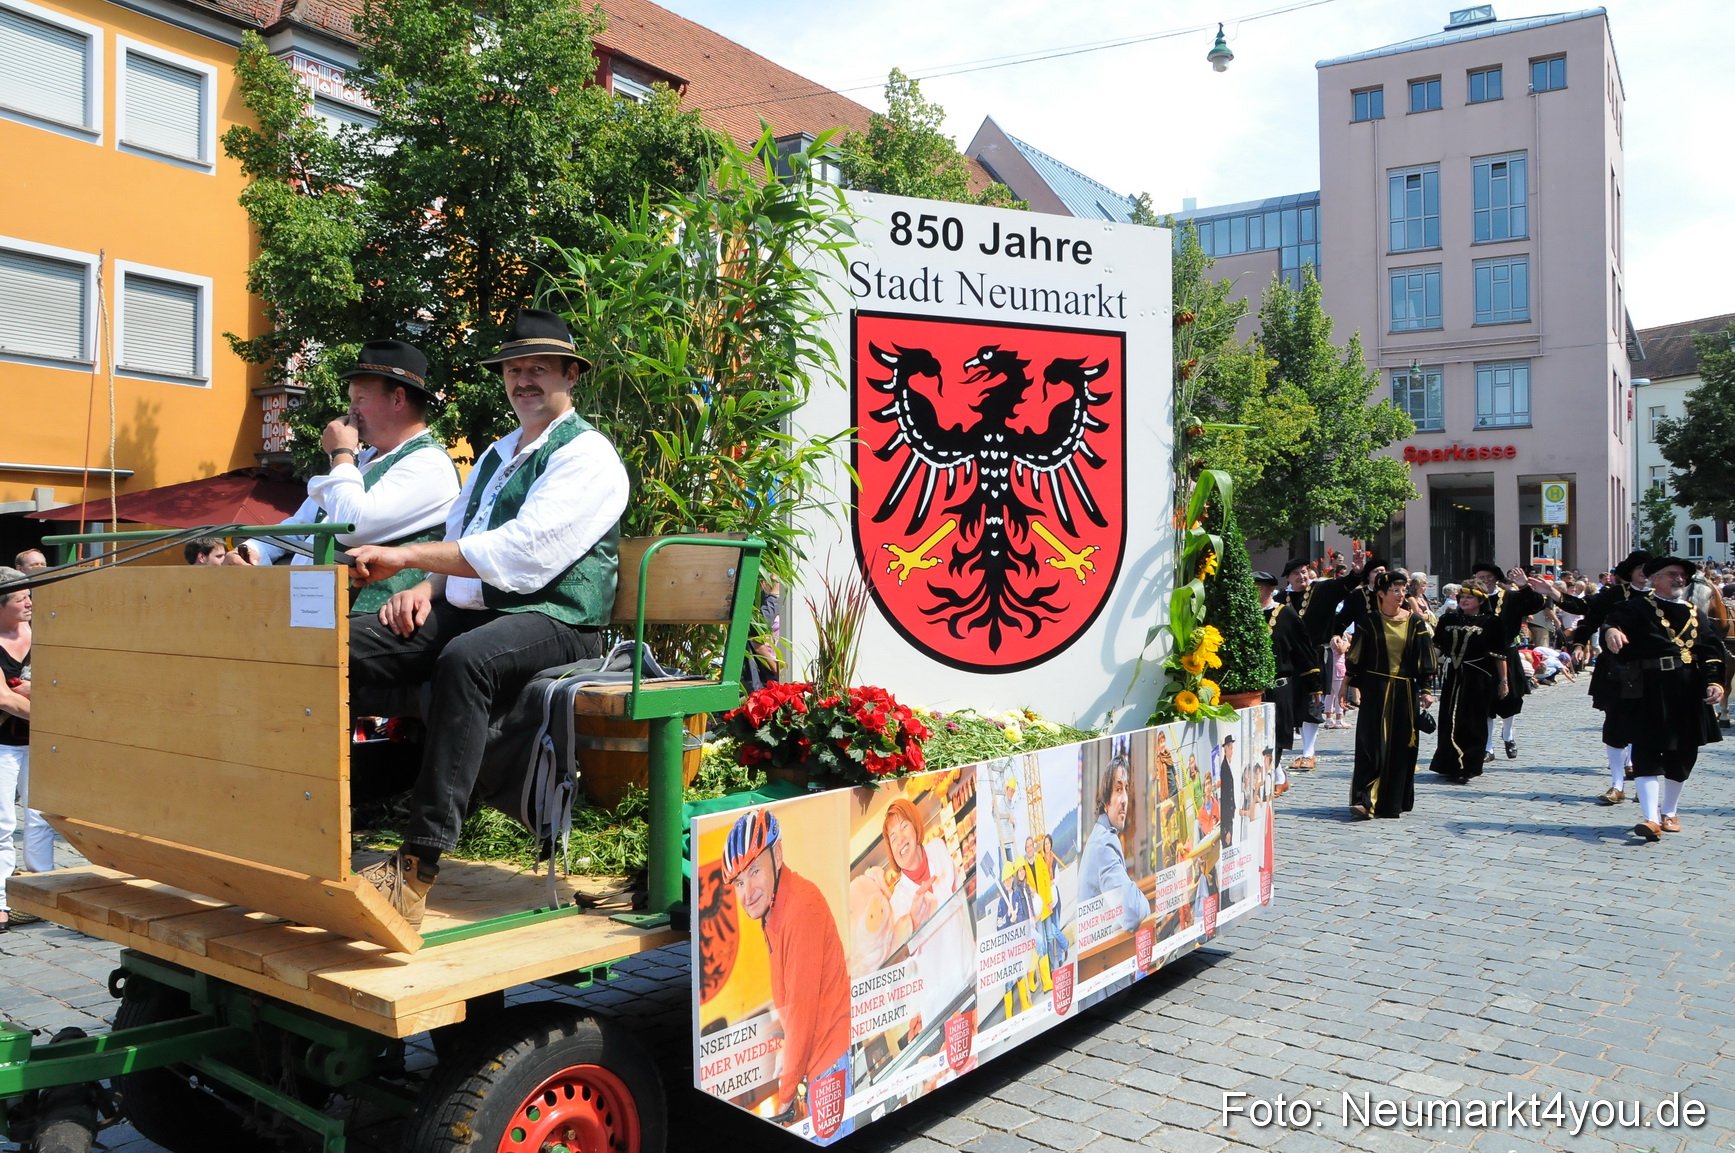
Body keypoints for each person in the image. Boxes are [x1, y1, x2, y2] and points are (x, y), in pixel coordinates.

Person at [343, 308, 629, 926]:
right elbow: (467, 536)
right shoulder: (500, 453)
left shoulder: (588, 456)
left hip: (559, 618)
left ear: (570, 376)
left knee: (465, 662)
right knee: (339, 645)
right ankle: (319, 815)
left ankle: (418, 863)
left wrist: (406, 557)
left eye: (539, 370)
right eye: (515, 369)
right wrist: (427, 583)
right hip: (480, 610)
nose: (524, 380)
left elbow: (524, 555)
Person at [256, 341, 461, 616]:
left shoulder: (429, 463)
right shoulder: (362, 462)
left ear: (398, 399)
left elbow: (352, 526)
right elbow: (304, 523)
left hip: (373, 620)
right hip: (318, 612)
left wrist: (341, 453)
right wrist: (254, 552)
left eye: (360, 399)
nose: (351, 410)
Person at [721, 809, 852, 1131]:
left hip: (827, 1056)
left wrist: (785, 1095)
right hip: (817, 1054)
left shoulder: (799, 911)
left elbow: (803, 1012)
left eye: (754, 872)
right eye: (738, 882)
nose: (747, 893)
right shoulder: (774, 908)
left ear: (777, 855)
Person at [1601, 557, 1728, 841]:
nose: (1679, 579)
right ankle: (1650, 818)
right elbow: (1612, 623)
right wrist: (1610, 631)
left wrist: (1715, 682)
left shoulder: (1696, 613)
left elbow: (1711, 651)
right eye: (1672, 574)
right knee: (1645, 751)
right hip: (1647, 690)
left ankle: (1669, 811)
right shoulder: (1636, 607)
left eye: (1682, 575)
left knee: (1682, 755)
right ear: (1654, 578)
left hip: (1687, 690)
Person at [1340, 569, 1437, 819]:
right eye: (1395, 590)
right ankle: (1364, 800)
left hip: (1404, 691)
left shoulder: (1415, 622)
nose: (1400, 594)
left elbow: (1424, 656)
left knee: (1400, 746)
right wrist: (1345, 686)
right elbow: (1356, 657)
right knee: (1370, 744)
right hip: (1375, 689)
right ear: (1381, 594)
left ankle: (1391, 801)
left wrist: (1426, 689)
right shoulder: (1369, 621)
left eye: (1403, 590)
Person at [1562, 550, 1652, 803]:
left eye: (1650, 569)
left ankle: (1644, 782)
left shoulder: (1664, 599)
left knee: (1647, 726)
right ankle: (1617, 784)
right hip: (1617, 667)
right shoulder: (1615, 595)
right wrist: (1579, 644)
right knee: (1615, 724)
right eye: (1640, 569)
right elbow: (1588, 616)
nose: (1645, 574)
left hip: (1653, 671)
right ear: (1631, 573)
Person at [878, 797, 973, 1027]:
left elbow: (958, 894)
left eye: (904, 827)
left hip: (971, 973)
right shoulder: (898, 902)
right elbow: (894, 961)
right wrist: (912, 922)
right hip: (943, 1006)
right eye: (892, 838)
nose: (900, 839)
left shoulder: (938, 849)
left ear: (915, 825)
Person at [0, 569, 52, 931]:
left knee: (41, 817)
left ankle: (43, 890)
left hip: (38, 742)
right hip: (2, 746)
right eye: (21, 598)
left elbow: (63, 679)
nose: (30, 602)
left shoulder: (43, 636)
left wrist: (34, 690)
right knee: (3, 823)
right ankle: (0, 902)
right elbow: (3, 698)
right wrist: (52, 713)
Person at [1466, 561, 1550, 761]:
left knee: (1510, 699)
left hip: (1507, 652)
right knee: (1486, 701)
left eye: (1489, 577)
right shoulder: (1473, 599)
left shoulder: (1511, 597)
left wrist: (1523, 585)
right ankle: (1488, 747)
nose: (1485, 581)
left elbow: (1537, 604)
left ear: (1496, 579)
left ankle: (1508, 735)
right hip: (1482, 656)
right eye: (1481, 577)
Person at [1429, 585, 1507, 783]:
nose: (1464, 601)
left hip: (1477, 676)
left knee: (1472, 720)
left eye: (1469, 598)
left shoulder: (1491, 622)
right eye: (1461, 597)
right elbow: (1437, 647)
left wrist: (1503, 681)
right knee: (1448, 718)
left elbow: (1499, 655)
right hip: (1452, 675)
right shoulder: (1448, 619)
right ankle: (1449, 764)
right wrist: (1425, 667)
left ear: (1480, 601)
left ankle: (1469, 765)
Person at [1252, 570, 1318, 796]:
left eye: (1258, 587)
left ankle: (1271, 780)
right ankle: (1274, 778)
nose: (1253, 592)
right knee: (1256, 737)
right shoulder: (1245, 615)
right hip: (1252, 688)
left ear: (1270, 589)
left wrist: (1314, 685)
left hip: (1280, 686)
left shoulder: (1286, 615)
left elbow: (1303, 649)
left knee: (1277, 735)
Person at [1078, 754, 1152, 934]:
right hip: (1098, 955)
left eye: (1127, 789)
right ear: (1105, 803)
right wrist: (1139, 898)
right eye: (1118, 789)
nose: (1125, 799)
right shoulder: (1104, 844)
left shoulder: (1100, 835)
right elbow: (1132, 912)